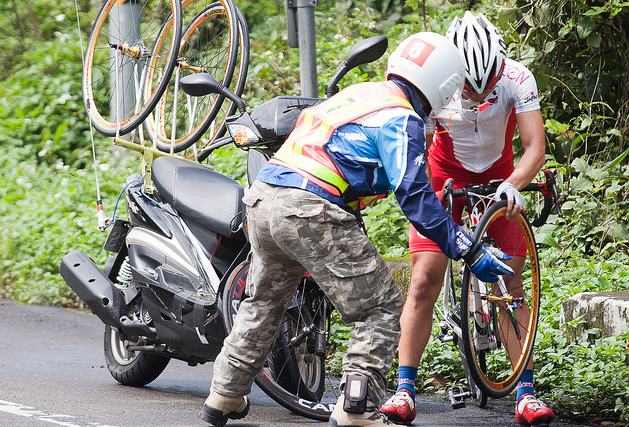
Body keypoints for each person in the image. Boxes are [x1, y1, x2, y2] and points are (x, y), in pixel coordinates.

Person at [200, 32, 515, 427]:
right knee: (379, 308)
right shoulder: (401, 117)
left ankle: (225, 394)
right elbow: (416, 197)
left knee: (264, 302)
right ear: (444, 85)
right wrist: (468, 249)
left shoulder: (361, 93)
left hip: (264, 198)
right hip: (310, 208)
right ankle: (357, 408)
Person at [380, 12, 555, 427]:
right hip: (445, 175)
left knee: (511, 284)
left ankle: (526, 393)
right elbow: (415, 149)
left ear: (500, 64)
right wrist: (428, 196)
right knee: (424, 279)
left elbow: (534, 149)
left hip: (501, 176)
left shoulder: (516, 77)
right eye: (470, 88)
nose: (479, 94)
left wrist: (513, 184)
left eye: (487, 84)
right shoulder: (435, 81)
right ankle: (404, 390)